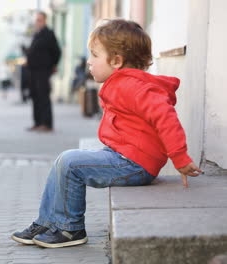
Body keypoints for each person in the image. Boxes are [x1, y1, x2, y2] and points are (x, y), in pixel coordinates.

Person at [11, 19, 203, 249]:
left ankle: (70, 228)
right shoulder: (122, 83)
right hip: (125, 157)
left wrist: (180, 158)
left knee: (70, 162)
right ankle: (47, 222)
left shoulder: (134, 87)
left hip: (135, 164)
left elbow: (166, 117)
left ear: (116, 61)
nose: (89, 62)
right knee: (63, 161)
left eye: (94, 55)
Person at [26, 11, 61, 132]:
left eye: (40, 20)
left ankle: (47, 124)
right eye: (36, 20)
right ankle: (37, 122)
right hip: (33, 71)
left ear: (45, 20)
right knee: (35, 96)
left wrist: (53, 65)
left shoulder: (49, 34)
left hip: (43, 70)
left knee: (43, 96)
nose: (38, 22)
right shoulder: (36, 34)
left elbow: (57, 51)